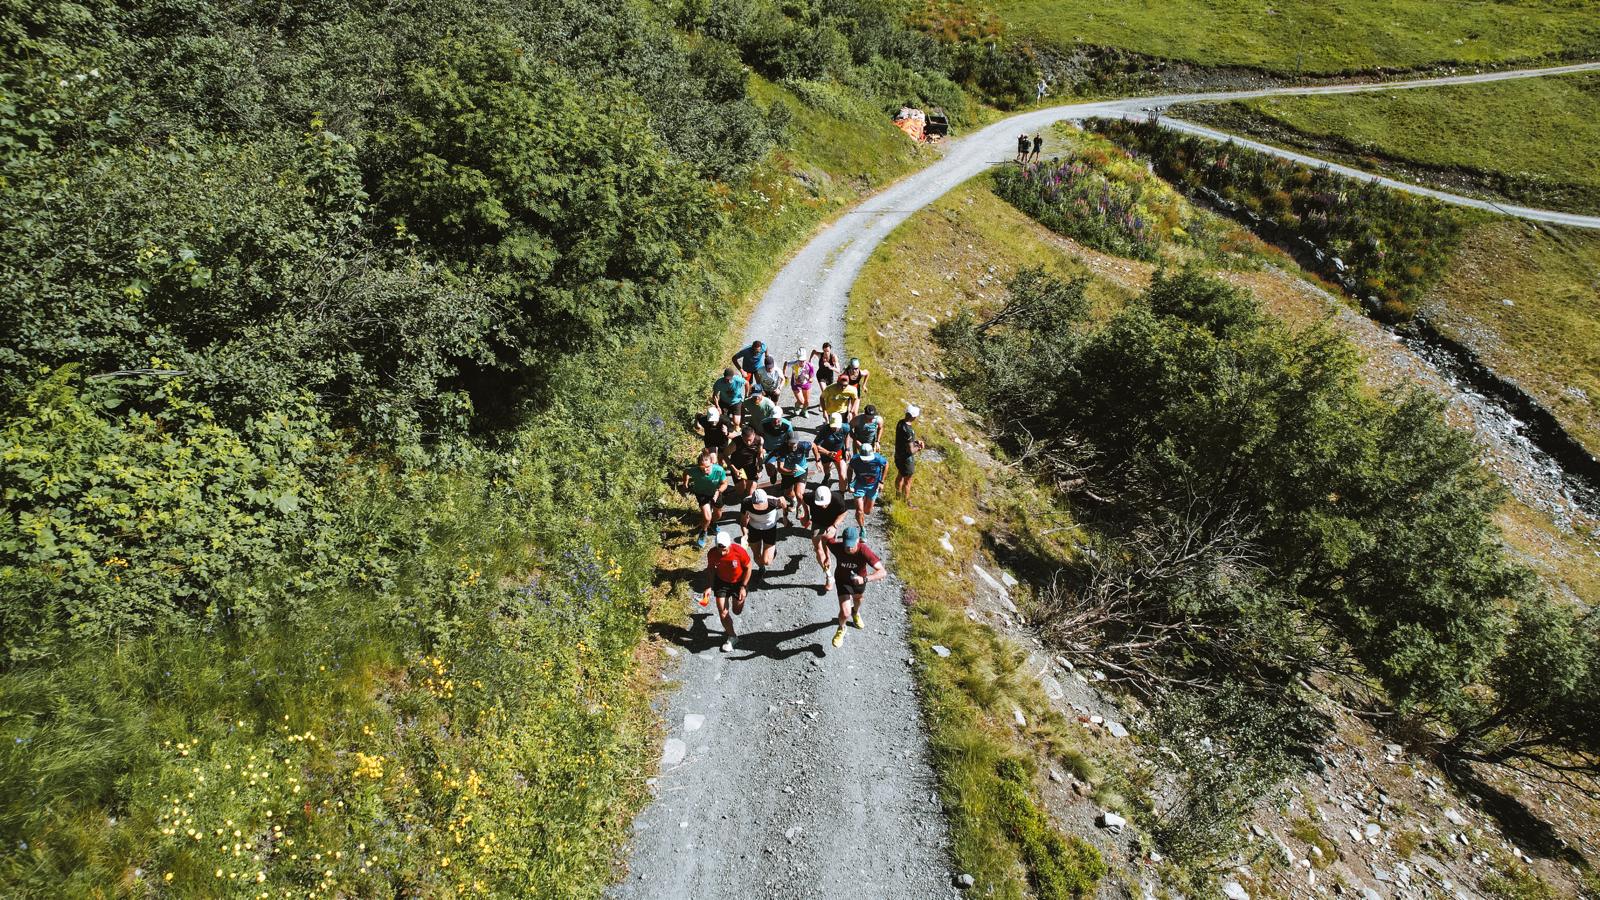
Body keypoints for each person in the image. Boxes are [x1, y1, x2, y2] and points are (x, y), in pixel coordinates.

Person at [826, 525, 885, 648]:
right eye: (847, 544)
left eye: (852, 545)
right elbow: (826, 539)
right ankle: (842, 628)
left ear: (858, 540)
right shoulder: (837, 547)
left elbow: (882, 572)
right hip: (842, 581)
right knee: (844, 612)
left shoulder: (864, 551)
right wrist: (831, 530)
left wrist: (864, 579)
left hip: (860, 582)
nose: (849, 548)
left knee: (858, 600)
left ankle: (856, 613)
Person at [706, 530, 752, 652]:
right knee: (723, 612)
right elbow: (710, 569)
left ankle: (740, 597)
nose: (722, 552)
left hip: (739, 583)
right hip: (722, 583)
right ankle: (732, 636)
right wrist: (710, 586)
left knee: (736, 611)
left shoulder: (739, 551)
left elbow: (749, 567)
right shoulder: (712, 553)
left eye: (725, 549)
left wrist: (743, 587)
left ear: (729, 545)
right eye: (719, 549)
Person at [804, 483, 850, 592]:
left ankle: (828, 556)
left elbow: (844, 513)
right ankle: (829, 576)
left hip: (831, 525)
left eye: (825, 503)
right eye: (820, 504)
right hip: (817, 523)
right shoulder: (810, 497)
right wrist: (806, 516)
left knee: (827, 544)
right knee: (818, 549)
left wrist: (835, 525)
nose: (823, 506)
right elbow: (802, 498)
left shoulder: (837, 498)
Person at [681, 450, 729, 548]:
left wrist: (718, 491)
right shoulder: (695, 471)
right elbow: (686, 472)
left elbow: (725, 483)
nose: (705, 470)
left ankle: (712, 524)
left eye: (708, 467)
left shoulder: (719, 470)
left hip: (716, 492)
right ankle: (703, 532)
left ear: (712, 463)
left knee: (718, 515)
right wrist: (685, 484)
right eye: (702, 467)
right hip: (701, 494)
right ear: (699, 466)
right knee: (707, 517)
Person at [739, 488, 787, 574]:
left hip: (770, 528)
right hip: (754, 528)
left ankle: (772, 550)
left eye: (762, 505)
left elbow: (783, 500)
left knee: (767, 561)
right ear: (753, 502)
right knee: (757, 556)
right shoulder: (746, 502)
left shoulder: (773, 502)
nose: (760, 508)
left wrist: (785, 517)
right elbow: (743, 521)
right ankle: (761, 568)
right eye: (757, 506)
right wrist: (745, 534)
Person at [772, 434, 816, 518]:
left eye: (794, 443)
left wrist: (818, 460)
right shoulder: (782, 450)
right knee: (788, 493)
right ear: (787, 442)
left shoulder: (803, 445)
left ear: (798, 442)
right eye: (790, 443)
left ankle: (800, 507)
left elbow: (813, 446)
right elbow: (780, 468)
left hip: (801, 470)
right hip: (787, 472)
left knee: (799, 494)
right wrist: (791, 472)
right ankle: (794, 500)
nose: (793, 446)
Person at [846, 442, 888, 525]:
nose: (866, 460)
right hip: (859, 485)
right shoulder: (855, 459)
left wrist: (881, 482)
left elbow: (886, 465)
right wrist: (849, 483)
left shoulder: (878, 458)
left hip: (873, 486)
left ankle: (865, 498)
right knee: (860, 510)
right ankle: (862, 529)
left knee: (867, 511)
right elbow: (850, 469)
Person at [894, 404, 926, 507]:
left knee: (900, 475)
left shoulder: (900, 423)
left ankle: (897, 496)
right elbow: (911, 450)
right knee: (908, 481)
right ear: (914, 417)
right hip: (906, 459)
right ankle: (906, 503)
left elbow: (904, 440)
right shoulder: (909, 431)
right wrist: (919, 447)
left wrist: (914, 441)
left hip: (898, 455)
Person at [725, 424, 766, 502]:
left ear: (754, 435)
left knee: (751, 493)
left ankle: (749, 508)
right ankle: (742, 483)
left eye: (750, 440)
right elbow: (725, 455)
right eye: (746, 440)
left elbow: (760, 454)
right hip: (737, 466)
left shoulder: (759, 440)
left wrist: (760, 468)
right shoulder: (735, 443)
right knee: (740, 491)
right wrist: (734, 470)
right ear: (742, 437)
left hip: (751, 465)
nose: (748, 442)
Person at [814, 412, 850, 488]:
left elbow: (847, 436)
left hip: (838, 453)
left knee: (843, 475)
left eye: (837, 426)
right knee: (826, 468)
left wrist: (847, 449)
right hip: (825, 453)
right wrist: (828, 453)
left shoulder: (845, 427)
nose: (835, 428)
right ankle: (827, 476)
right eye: (833, 426)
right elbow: (816, 446)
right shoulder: (824, 430)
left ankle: (841, 494)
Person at [788, 348, 817, 414]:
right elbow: (785, 364)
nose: (802, 362)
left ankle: (804, 411)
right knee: (801, 401)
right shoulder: (794, 363)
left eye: (803, 361)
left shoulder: (810, 365)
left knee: (807, 402)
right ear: (798, 359)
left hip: (805, 383)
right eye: (800, 360)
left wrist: (809, 379)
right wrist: (784, 374)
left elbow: (811, 378)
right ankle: (797, 406)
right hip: (796, 384)